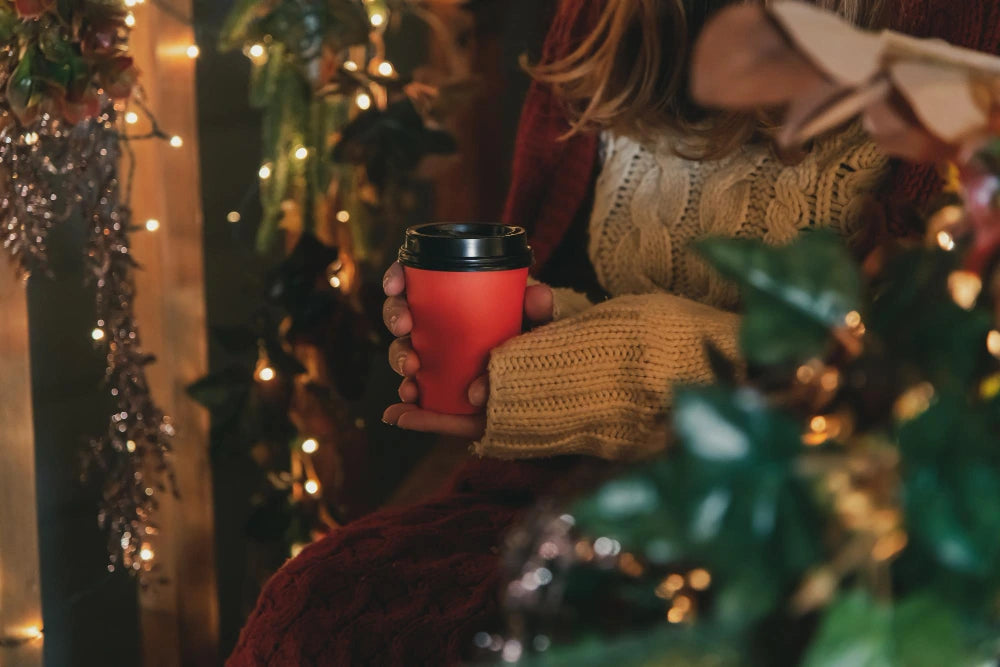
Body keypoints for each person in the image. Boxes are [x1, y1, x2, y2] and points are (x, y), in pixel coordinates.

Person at [228, 1, 1000, 664]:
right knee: (320, 601)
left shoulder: (966, 34)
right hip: (592, 497)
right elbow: (573, 279)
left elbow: (929, 402)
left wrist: (615, 369)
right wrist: (536, 342)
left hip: (833, 544)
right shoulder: (605, 17)